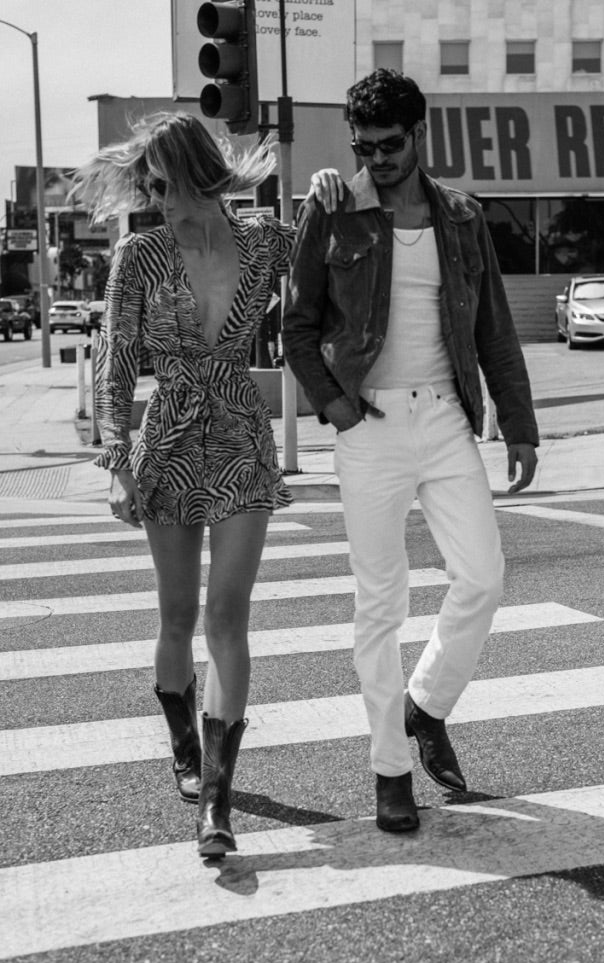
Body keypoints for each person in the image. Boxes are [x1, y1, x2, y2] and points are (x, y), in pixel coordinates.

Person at [71, 112, 338, 859]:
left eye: (163, 183)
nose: (155, 196)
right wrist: (116, 463)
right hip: (170, 443)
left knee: (228, 617)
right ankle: (185, 745)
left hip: (242, 441)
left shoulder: (263, 242)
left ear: (194, 173)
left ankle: (216, 800)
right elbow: (116, 362)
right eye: (146, 185)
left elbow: (333, 240)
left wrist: (323, 191)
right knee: (177, 616)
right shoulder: (141, 255)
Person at [283, 69, 540, 833]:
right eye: (363, 147)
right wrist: (335, 408)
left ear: (419, 135)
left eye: (390, 145)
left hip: (446, 422)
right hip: (369, 427)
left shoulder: (461, 215)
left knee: (484, 578)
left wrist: (518, 422)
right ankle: (389, 768)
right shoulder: (332, 210)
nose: (377, 159)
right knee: (380, 603)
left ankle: (426, 707)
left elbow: (492, 324)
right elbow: (295, 325)